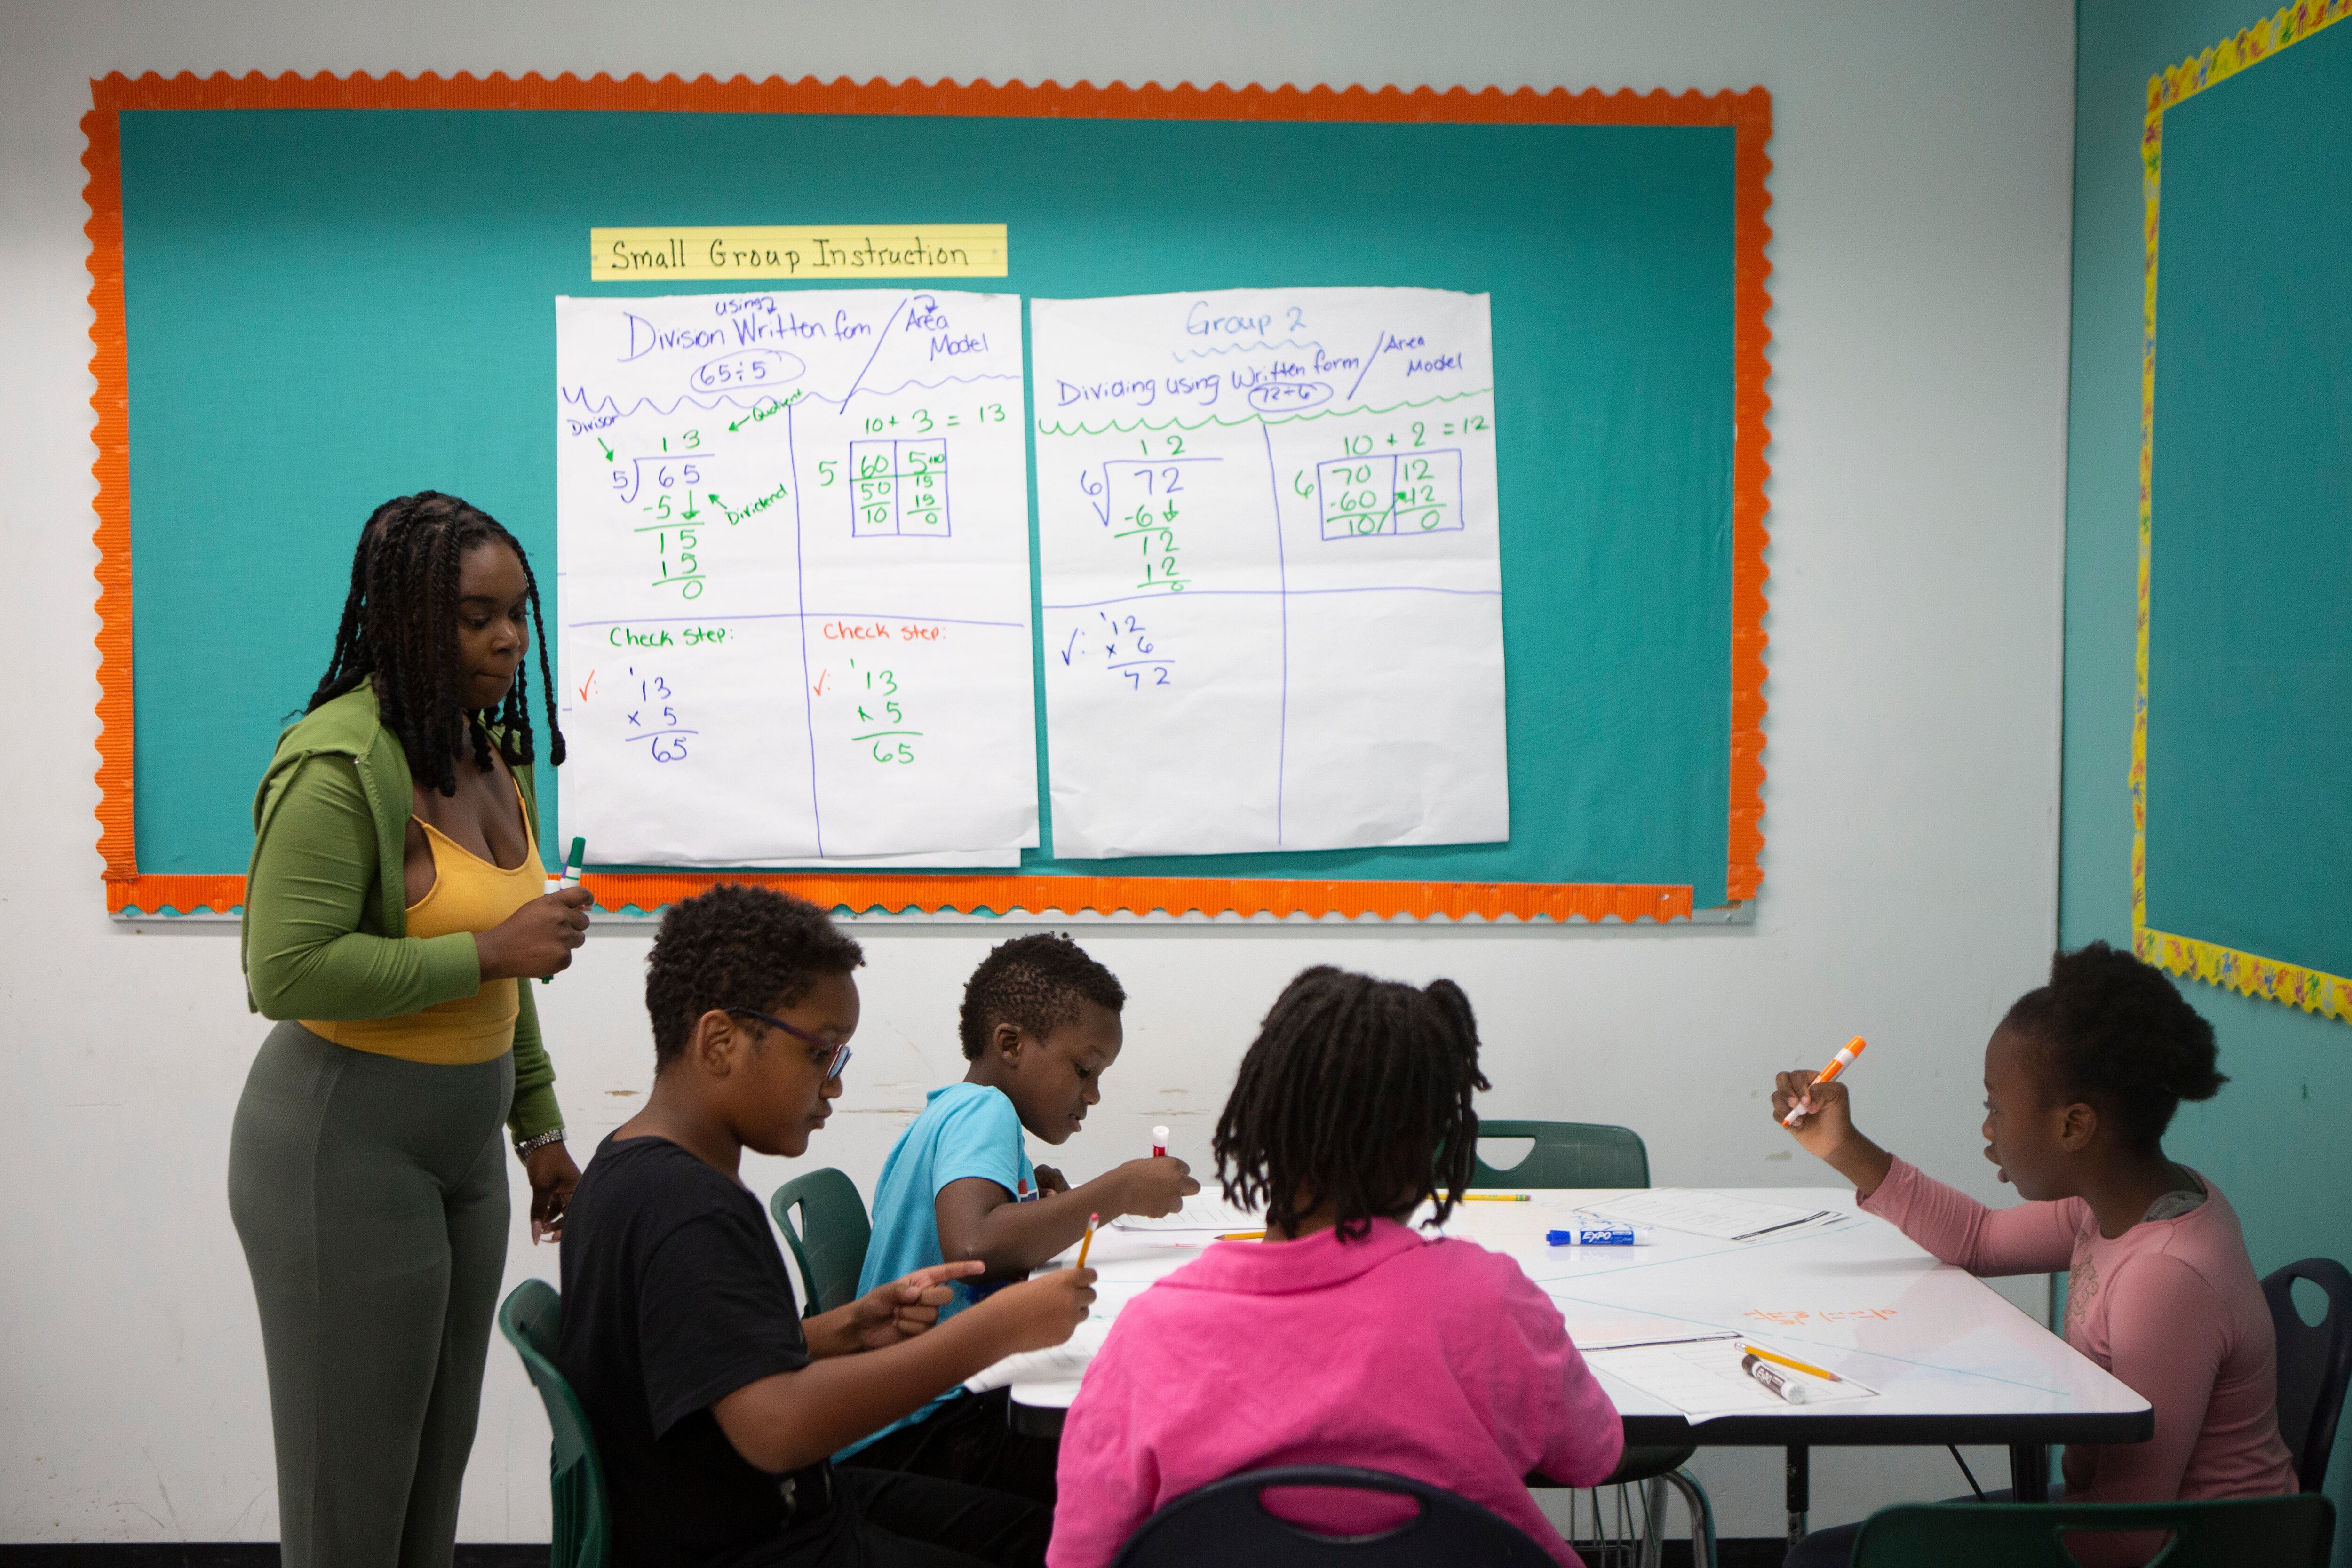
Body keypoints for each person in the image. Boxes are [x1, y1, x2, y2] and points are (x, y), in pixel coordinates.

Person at [230, 492, 594, 1568]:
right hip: (340, 1144)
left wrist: (538, 1129)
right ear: (401, 619)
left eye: (518, 616)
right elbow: (284, 969)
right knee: (352, 1489)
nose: (505, 640)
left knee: (435, 1468)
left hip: (465, 1148)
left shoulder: (489, 749)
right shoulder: (336, 763)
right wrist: (490, 949)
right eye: (477, 616)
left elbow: (507, 983)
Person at [558, 884, 1097, 1568]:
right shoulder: (689, 1209)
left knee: (1048, 1532)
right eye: (821, 1054)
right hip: (764, 1540)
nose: (835, 1085)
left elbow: (695, 1355)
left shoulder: (627, 1166)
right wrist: (994, 1329)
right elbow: (777, 1426)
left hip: (783, 1509)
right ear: (720, 1041)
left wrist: (846, 1329)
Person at [1047, 965, 1626, 1568]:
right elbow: (1595, 1457)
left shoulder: (1151, 1335)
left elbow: (1080, 1557)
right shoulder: (1492, 1303)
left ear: (1262, 1124)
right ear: (1434, 1144)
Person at [1773, 941, 2296, 1568]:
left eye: (1997, 1107)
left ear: (2074, 1126)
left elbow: (2129, 1537)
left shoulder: (2166, 1277)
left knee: (1843, 1558)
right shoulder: (2117, 1198)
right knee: (1839, 1554)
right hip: (2111, 1515)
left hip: (2190, 1550)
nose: (1989, 1128)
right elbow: (1978, 1239)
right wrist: (1844, 1146)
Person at [840, 933, 1198, 1502]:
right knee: (1132, 1460)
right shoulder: (985, 1110)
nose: (1094, 1094)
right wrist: (1119, 1190)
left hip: (906, 1417)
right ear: (1010, 1043)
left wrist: (1040, 1205)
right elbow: (972, 1245)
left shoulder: (950, 1113)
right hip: (925, 1430)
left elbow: (983, 1231)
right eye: (1084, 1070)